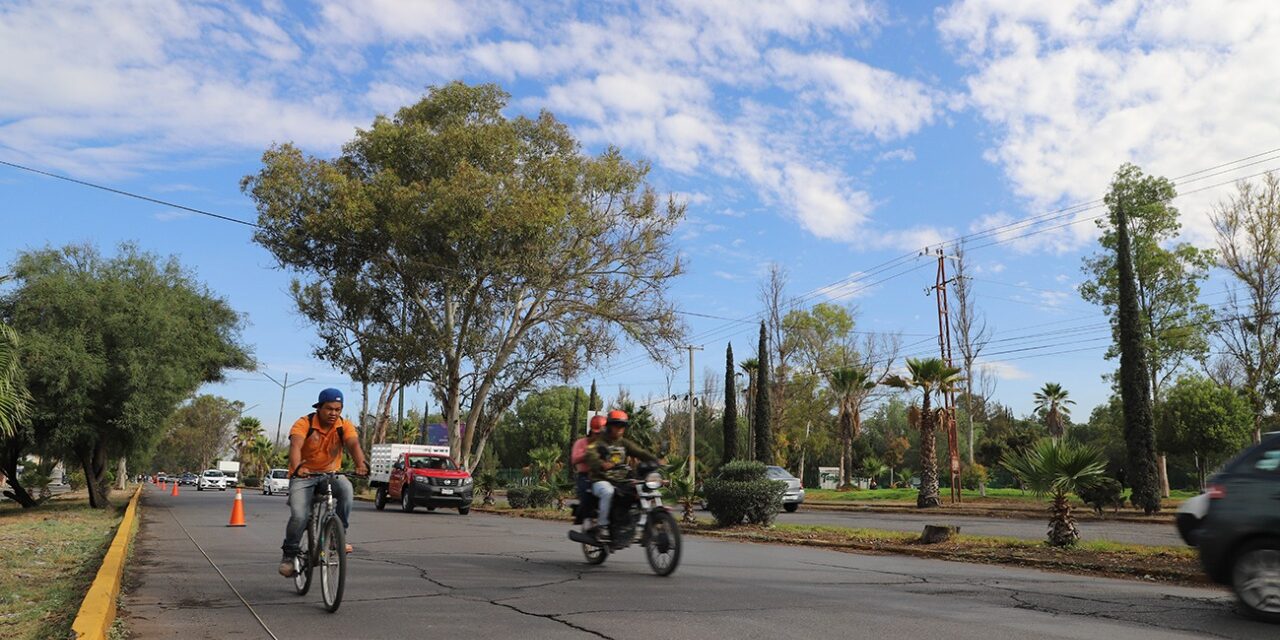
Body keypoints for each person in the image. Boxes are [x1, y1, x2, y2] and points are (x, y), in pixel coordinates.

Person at [278, 388, 369, 578]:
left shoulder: (344, 425)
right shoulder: (304, 423)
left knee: (346, 489)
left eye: (338, 409)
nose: (333, 413)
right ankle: (289, 555)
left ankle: (337, 537)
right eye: (329, 409)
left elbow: (353, 444)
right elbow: (295, 445)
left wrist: (361, 464)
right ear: (319, 407)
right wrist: (297, 467)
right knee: (300, 516)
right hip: (303, 476)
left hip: (330, 474)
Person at [583, 410, 656, 541]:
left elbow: (640, 452)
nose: (619, 428)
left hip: (621, 480)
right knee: (608, 491)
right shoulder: (599, 442)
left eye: (622, 425)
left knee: (642, 490)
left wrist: (655, 460)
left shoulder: (624, 443)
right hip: (600, 480)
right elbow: (590, 455)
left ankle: (635, 525)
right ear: (609, 426)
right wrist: (601, 464)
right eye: (616, 425)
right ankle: (603, 526)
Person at [570, 415, 608, 522]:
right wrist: (589, 454)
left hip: (603, 476)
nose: (599, 436)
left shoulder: (606, 444)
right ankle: (586, 518)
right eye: (597, 434)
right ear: (591, 432)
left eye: (602, 434)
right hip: (585, 476)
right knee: (587, 495)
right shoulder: (581, 443)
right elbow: (574, 459)